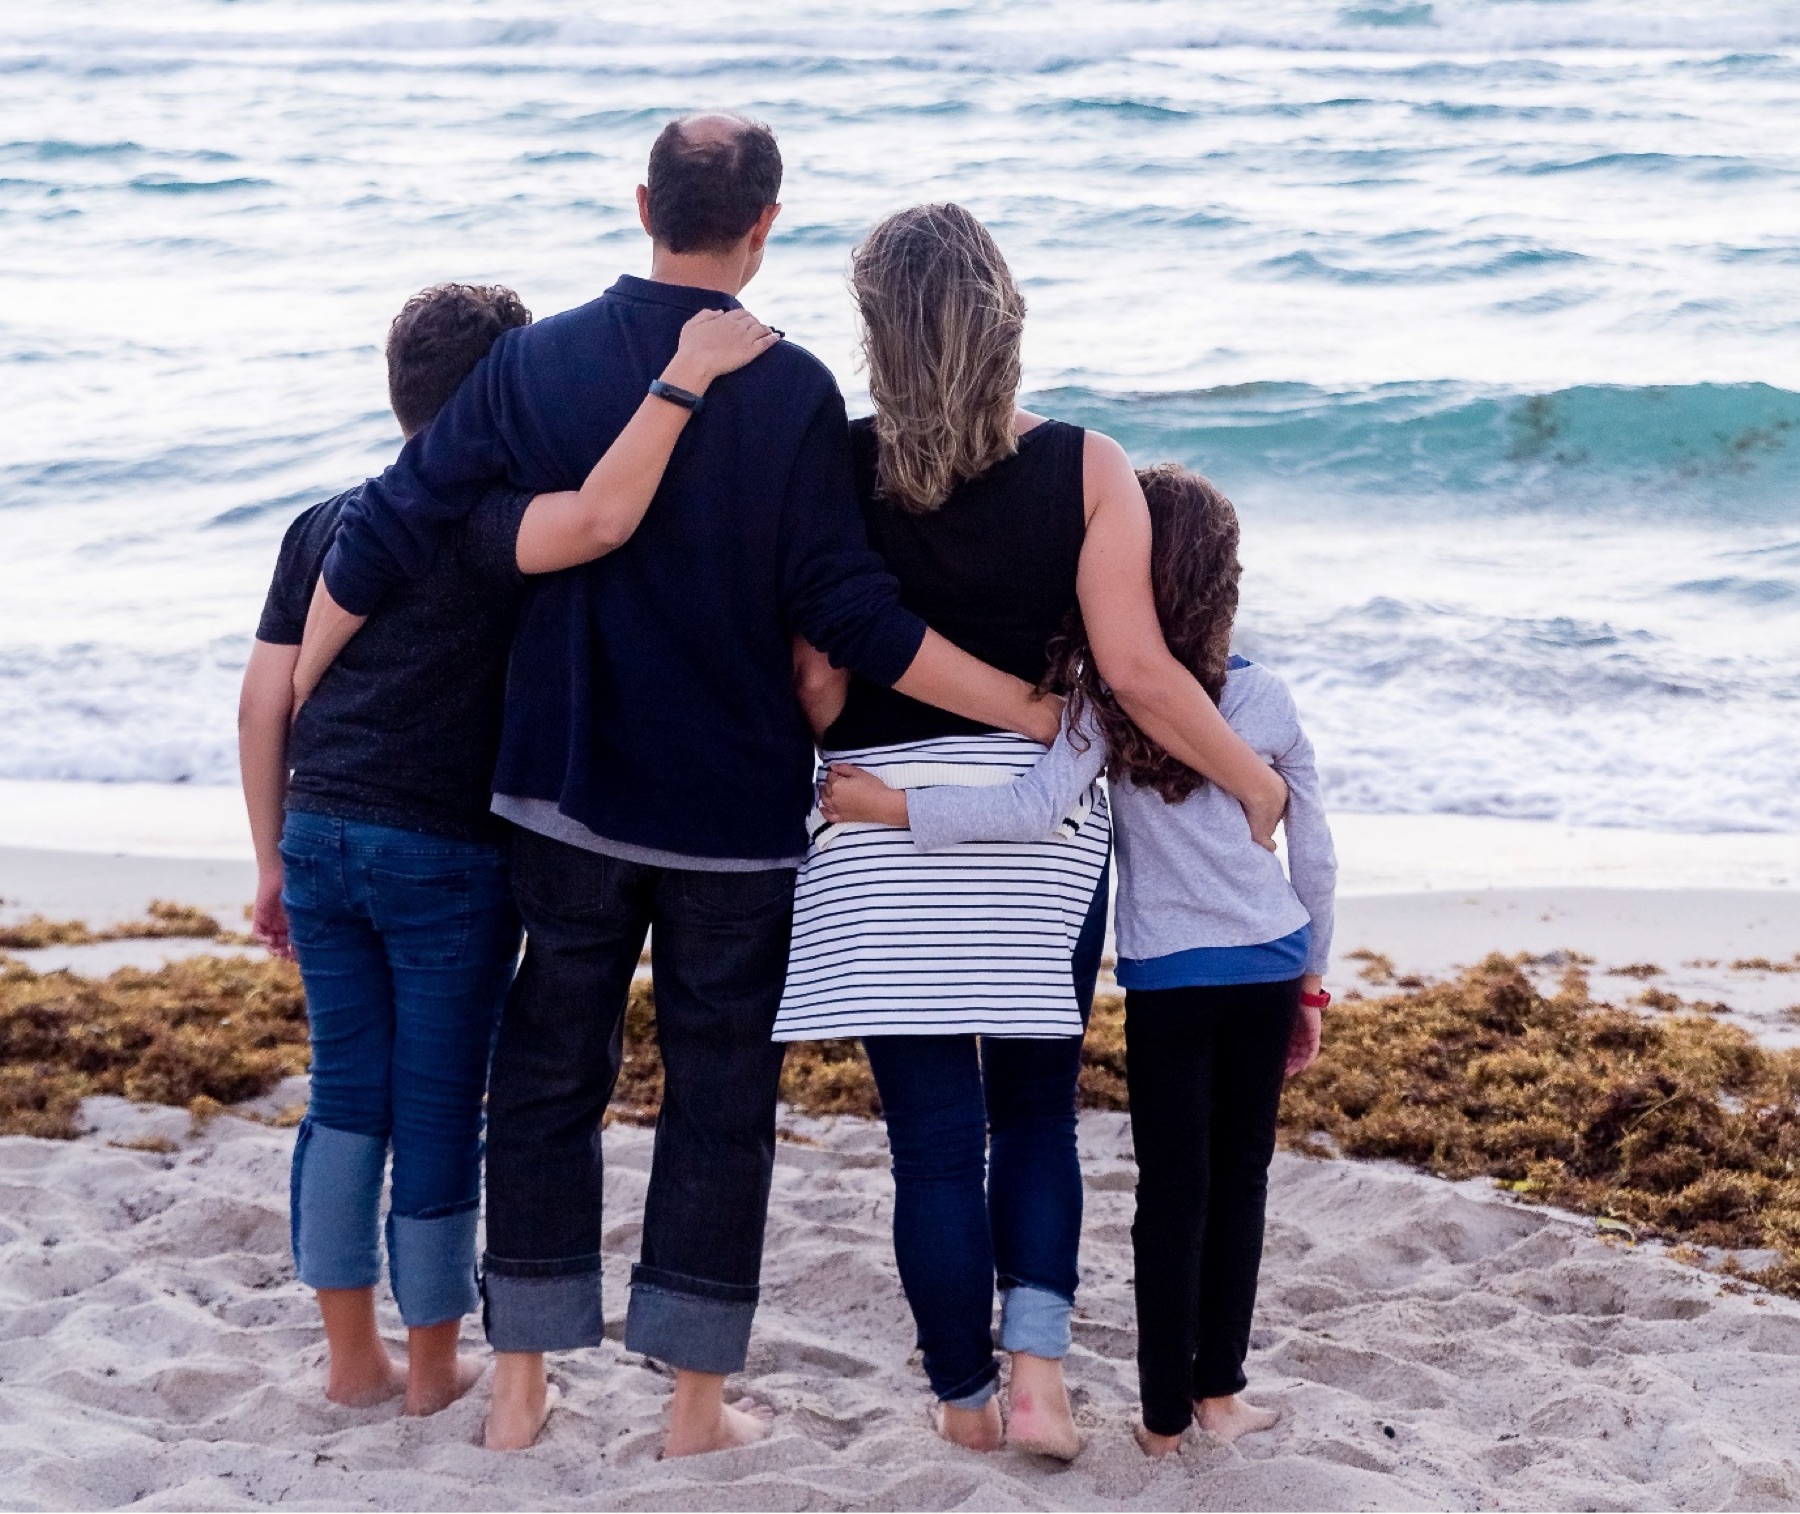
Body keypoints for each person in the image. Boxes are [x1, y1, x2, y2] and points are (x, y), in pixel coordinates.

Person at [289, 116, 1069, 1459]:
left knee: (545, 1078)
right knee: (718, 1097)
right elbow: (851, 612)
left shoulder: (535, 364)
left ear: (643, 199)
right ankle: (695, 1409)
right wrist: (1028, 710)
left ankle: (522, 1384)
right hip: (730, 815)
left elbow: (394, 521)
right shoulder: (795, 390)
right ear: (766, 223)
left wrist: (304, 686)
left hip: (566, 793)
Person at [770, 205, 1293, 1459]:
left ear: (876, 332)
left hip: (879, 828)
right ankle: (1043, 1377)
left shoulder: (836, 466)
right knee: (1036, 1115)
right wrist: (1252, 786)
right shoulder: (1087, 465)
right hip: (1037, 832)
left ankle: (963, 1399)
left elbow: (817, 690)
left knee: (935, 1141)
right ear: (1006, 316)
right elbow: (1140, 672)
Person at [239, 282, 778, 1417]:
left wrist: (270, 861)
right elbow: (598, 518)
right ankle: (433, 1368)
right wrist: (683, 383)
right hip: (443, 857)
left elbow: (262, 703)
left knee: (345, 1095)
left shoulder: (325, 520)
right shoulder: (488, 524)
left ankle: (349, 1359)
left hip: (320, 833)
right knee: (437, 1106)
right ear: (505, 394)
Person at [821, 464, 1337, 1456]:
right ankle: (1220, 1391)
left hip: (1169, 980)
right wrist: (1312, 975)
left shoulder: (1106, 705)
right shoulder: (1266, 698)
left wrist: (890, 805)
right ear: (1226, 582)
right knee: (1243, 1181)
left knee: (1171, 1189)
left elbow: (1025, 809)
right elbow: (1314, 851)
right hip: (1269, 965)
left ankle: (1158, 1421)